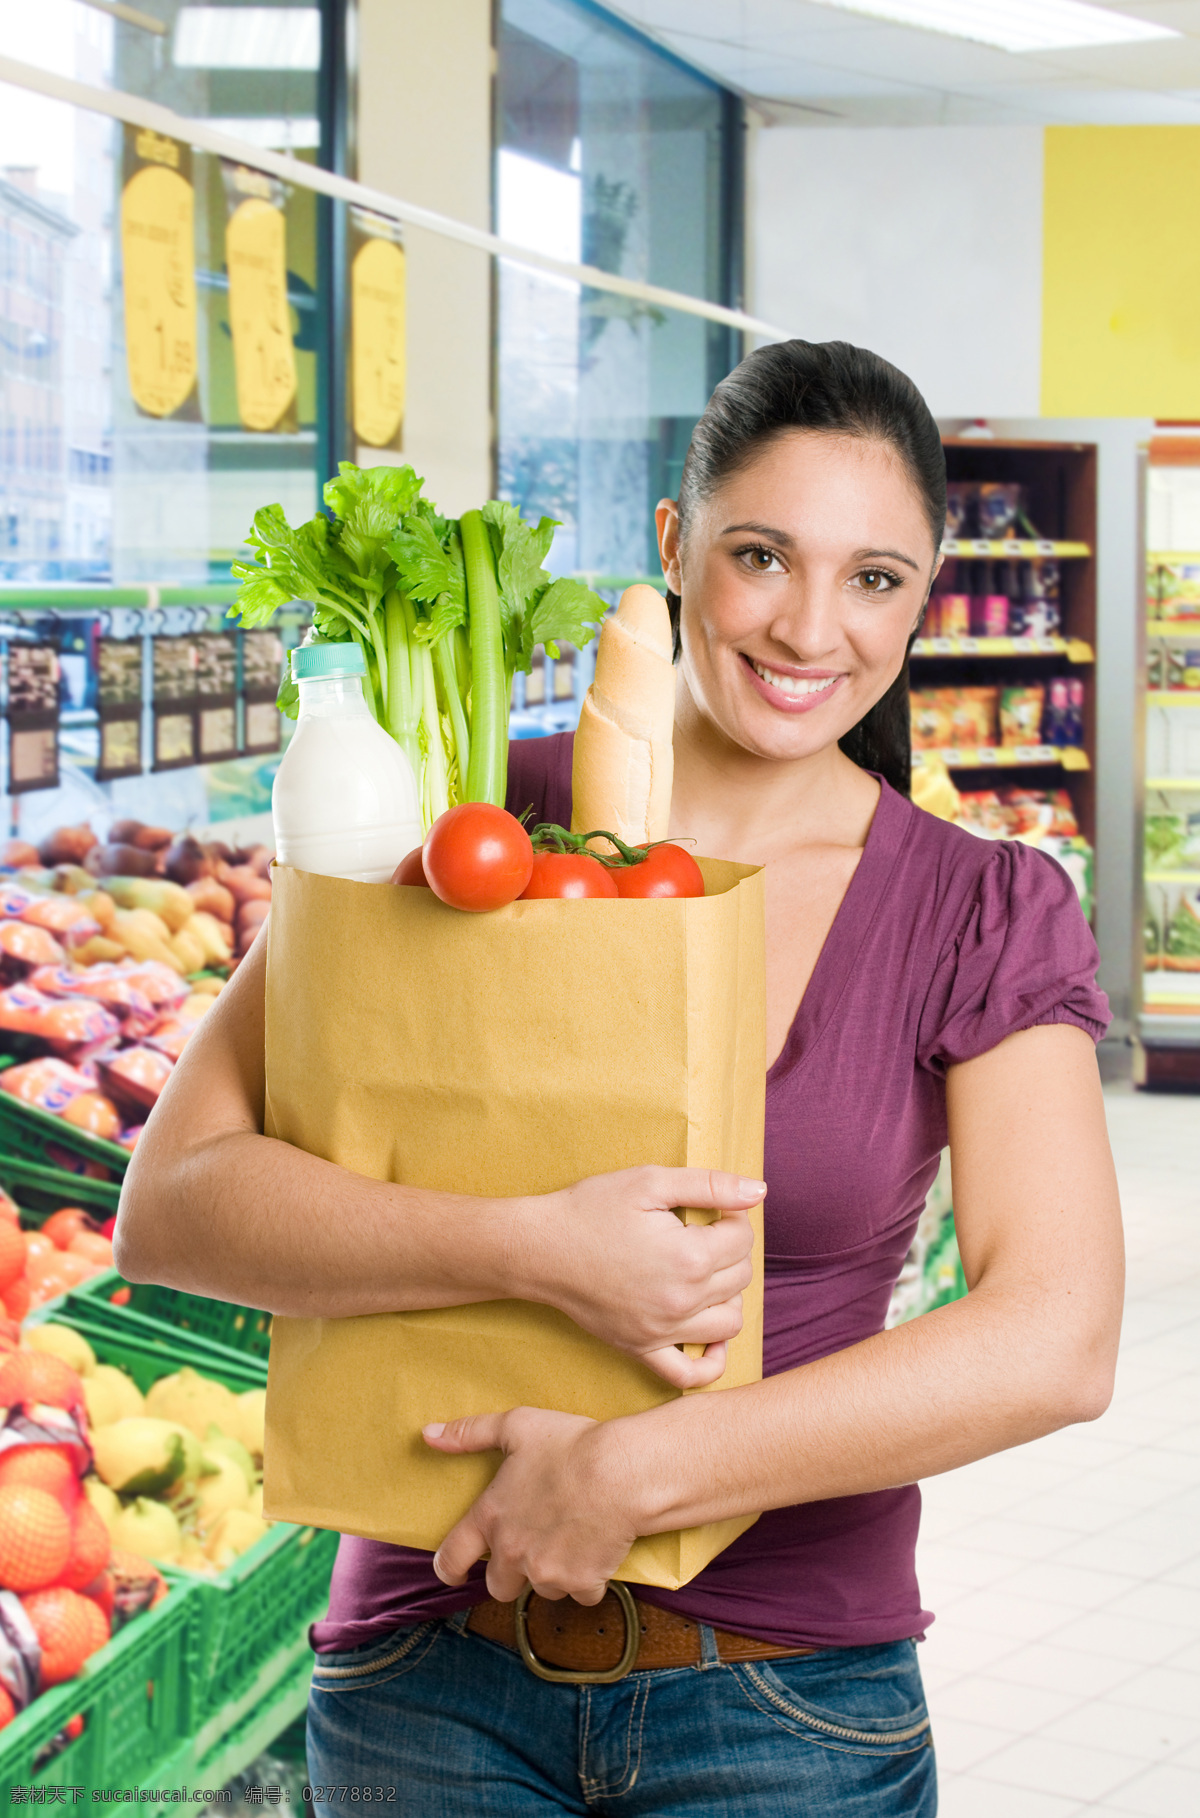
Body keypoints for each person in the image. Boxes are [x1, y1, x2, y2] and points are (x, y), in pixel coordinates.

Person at [116, 340, 1124, 1817]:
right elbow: (178, 1208)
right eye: (762, 556)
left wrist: (643, 1472)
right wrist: (530, 1246)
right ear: (673, 545)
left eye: (876, 579)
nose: (808, 628)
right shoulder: (459, 815)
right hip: (424, 1676)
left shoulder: (979, 905)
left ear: (922, 594)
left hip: (788, 1696)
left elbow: (1055, 1335)